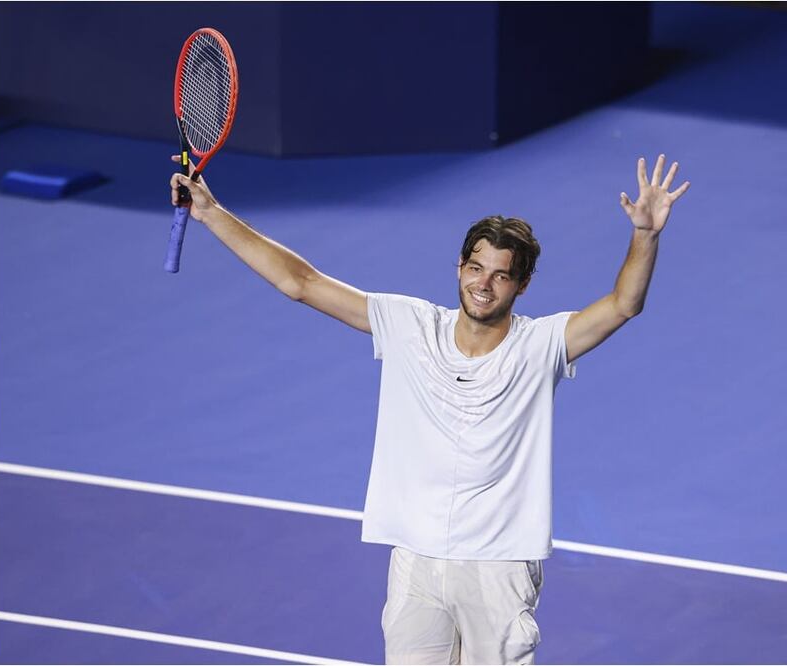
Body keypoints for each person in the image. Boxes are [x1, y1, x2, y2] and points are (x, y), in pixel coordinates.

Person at [169, 154, 689, 664]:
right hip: (417, 562)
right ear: (459, 266)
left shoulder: (542, 344)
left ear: (522, 285)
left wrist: (645, 234)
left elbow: (624, 304)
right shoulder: (409, 325)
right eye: (475, 267)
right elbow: (300, 283)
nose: (483, 284)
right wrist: (212, 212)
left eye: (501, 275)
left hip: (498, 567)